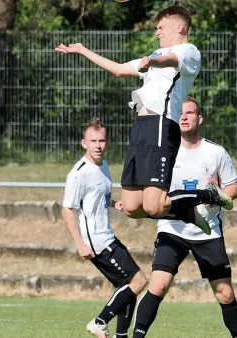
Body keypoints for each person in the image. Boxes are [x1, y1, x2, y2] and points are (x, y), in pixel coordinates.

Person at [55, 6, 231, 234]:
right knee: (131, 207)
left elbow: (170, 59)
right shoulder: (155, 56)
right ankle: (184, 211)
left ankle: (209, 194)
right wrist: (82, 50)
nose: (157, 32)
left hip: (161, 124)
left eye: (161, 28)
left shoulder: (188, 51)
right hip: (141, 127)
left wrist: (152, 61)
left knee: (153, 206)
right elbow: (118, 70)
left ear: (179, 27)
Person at [132, 96, 237, 338]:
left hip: (208, 231)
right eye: (180, 113)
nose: (184, 117)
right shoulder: (165, 153)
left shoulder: (216, 152)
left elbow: (234, 188)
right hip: (172, 227)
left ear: (199, 118)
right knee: (158, 285)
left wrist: (218, 195)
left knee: (225, 293)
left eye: (190, 113)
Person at [61, 119, 147, 338]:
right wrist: (79, 244)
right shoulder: (79, 173)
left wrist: (114, 204)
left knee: (129, 289)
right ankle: (99, 322)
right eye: (93, 141)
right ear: (84, 143)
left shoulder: (104, 166)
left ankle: (121, 336)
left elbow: (97, 198)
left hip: (108, 236)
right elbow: (68, 210)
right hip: (97, 242)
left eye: (101, 140)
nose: (98, 145)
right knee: (139, 281)